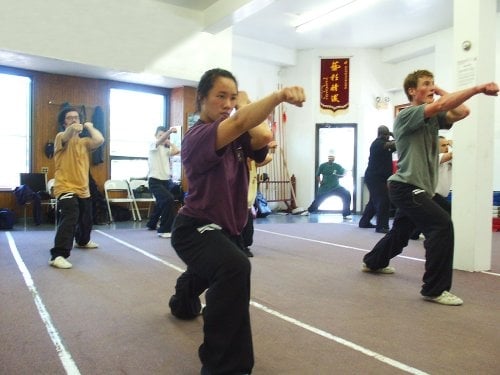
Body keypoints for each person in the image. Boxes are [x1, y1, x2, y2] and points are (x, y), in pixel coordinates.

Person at [168, 68, 305, 374]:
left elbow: (263, 135)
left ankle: (182, 299)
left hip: (228, 229)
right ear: (202, 99)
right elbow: (243, 120)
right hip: (195, 227)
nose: (227, 103)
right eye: (220, 96)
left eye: (232, 97)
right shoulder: (199, 135)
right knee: (234, 267)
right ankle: (224, 366)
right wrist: (279, 96)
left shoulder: (237, 136)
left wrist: (243, 103)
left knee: (212, 269)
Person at [362, 69, 498, 306]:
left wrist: (439, 90)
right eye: (426, 84)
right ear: (412, 91)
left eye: (433, 84)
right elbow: (441, 105)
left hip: (420, 188)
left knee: (402, 231)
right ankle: (434, 289)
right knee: (442, 224)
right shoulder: (408, 114)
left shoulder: (432, 117)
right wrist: (476, 89)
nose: (432, 88)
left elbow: (462, 111)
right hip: (406, 186)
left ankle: (374, 261)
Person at [49, 107, 105, 269]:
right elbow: (67, 134)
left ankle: (82, 241)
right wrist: (72, 128)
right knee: (71, 216)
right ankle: (58, 255)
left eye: (76, 117)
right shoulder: (61, 137)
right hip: (65, 187)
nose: (73, 120)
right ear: (63, 122)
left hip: (83, 188)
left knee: (86, 217)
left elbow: (100, 140)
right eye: (69, 118)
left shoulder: (85, 142)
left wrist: (89, 126)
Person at [410, 135, 453, 239]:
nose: (446, 147)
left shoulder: (448, 160)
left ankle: (414, 233)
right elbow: (452, 155)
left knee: (425, 217)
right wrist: (454, 145)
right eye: (443, 145)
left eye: (447, 144)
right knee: (449, 212)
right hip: (432, 194)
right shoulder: (434, 158)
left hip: (440, 195)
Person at [242, 139, 277, 257]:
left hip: (247, 195)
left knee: (247, 221)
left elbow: (268, 158)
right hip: (235, 195)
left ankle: (245, 246)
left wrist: (268, 148)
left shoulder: (252, 159)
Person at [358, 125, 396, 233]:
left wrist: (392, 135)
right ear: (381, 134)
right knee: (383, 200)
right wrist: (395, 135)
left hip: (378, 177)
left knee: (374, 201)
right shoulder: (378, 144)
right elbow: (398, 143)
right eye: (385, 134)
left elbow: (397, 145)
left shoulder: (384, 144)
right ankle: (382, 226)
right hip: (375, 178)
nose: (387, 136)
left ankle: (364, 222)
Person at [146, 126, 180, 238]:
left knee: (161, 203)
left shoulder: (165, 150)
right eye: (160, 135)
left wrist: (169, 142)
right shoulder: (152, 145)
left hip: (165, 181)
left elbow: (176, 151)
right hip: (154, 181)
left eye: (164, 135)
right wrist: (169, 131)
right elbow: (159, 141)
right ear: (156, 136)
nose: (162, 137)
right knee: (168, 199)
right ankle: (164, 229)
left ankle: (151, 224)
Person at [307, 151, 352, 219]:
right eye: (330, 157)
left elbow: (344, 172)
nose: (331, 158)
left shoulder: (337, 166)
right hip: (325, 187)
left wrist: (341, 175)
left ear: (334, 158)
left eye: (332, 157)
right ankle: (309, 211)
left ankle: (346, 214)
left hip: (336, 187)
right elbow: (317, 175)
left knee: (346, 194)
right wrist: (320, 181)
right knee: (318, 200)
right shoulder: (323, 165)